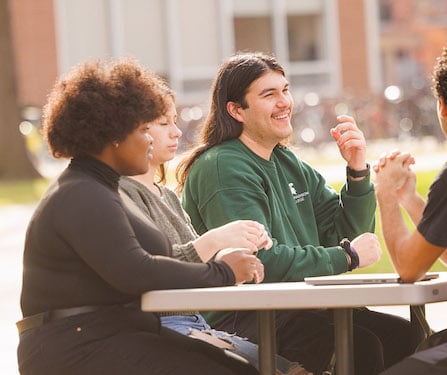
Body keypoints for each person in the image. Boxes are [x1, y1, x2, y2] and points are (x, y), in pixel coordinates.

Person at [176, 52, 423, 374]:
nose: (284, 103)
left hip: (298, 307)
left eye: (285, 90)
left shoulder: (288, 161)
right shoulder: (223, 166)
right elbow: (259, 263)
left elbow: (345, 235)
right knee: (361, 345)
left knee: (402, 335)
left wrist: (357, 170)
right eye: (269, 95)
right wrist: (345, 257)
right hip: (244, 315)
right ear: (236, 110)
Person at [16, 58, 264, 375]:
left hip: (114, 334)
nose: (149, 139)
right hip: (75, 348)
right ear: (114, 134)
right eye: (142, 129)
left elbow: (156, 261)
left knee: (247, 366)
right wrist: (222, 272)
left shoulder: (105, 190)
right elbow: (137, 271)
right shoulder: (80, 194)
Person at [119, 81, 310, 375]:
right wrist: (218, 240)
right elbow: (153, 268)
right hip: (166, 328)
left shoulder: (166, 195)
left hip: (196, 323)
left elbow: (200, 265)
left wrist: (237, 251)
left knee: (295, 370)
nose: (177, 131)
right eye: (162, 123)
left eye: (174, 121)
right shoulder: (121, 194)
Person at [374, 44, 447, 374]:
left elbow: (409, 268)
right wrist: (409, 198)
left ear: (443, 105)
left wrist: (385, 194)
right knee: (428, 345)